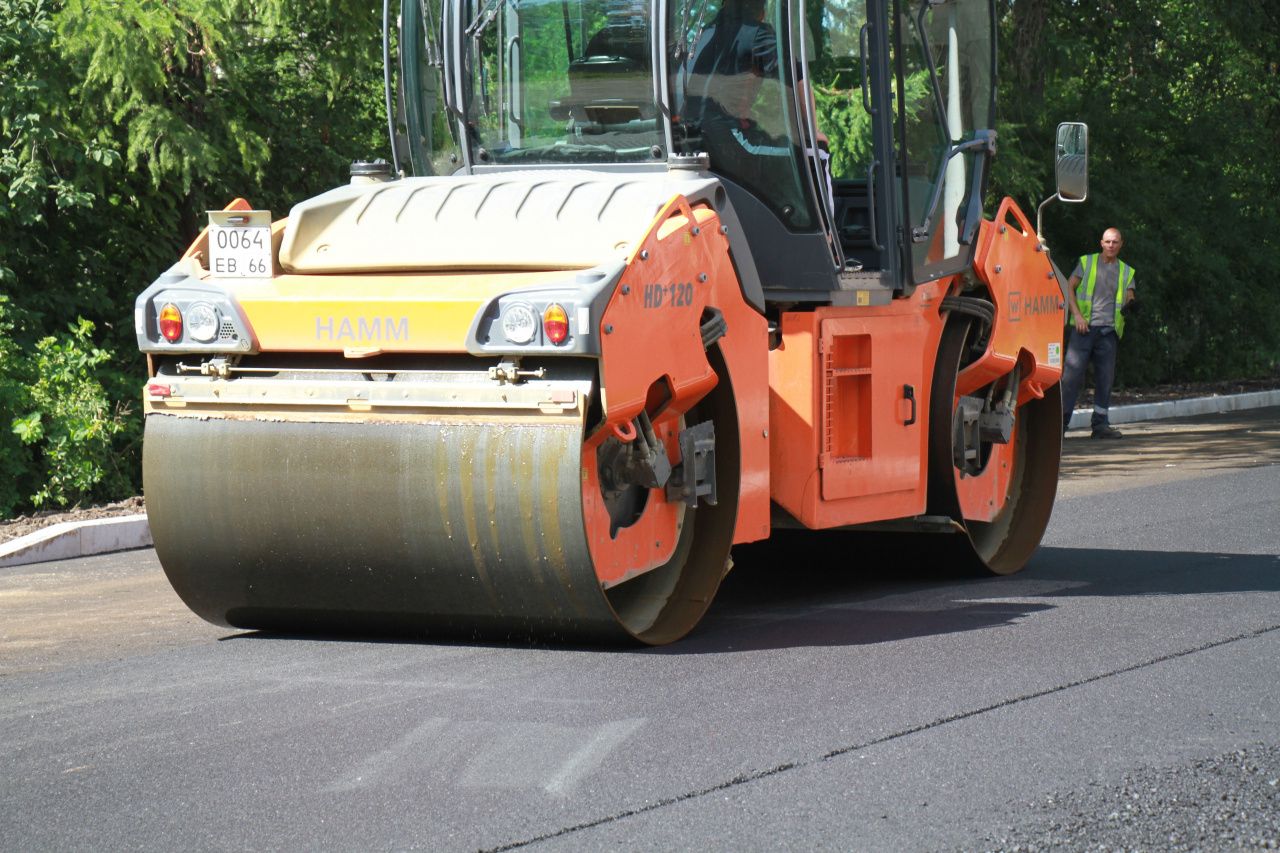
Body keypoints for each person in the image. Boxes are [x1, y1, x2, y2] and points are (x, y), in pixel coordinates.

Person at [1059, 227, 1137, 438]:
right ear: (1101, 243)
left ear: (1121, 244)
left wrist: (1131, 303)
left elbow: (1130, 294)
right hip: (1083, 329)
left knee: (1105, 379)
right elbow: (1069, 286)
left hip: (1108, 332)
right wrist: (1077, 315)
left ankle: (1100, 425)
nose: (1111, 245)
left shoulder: (1126, 271)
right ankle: (1060, 425)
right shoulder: (1087, 262)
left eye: (1115, 242)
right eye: (1108, 242)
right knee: (1071, 378)